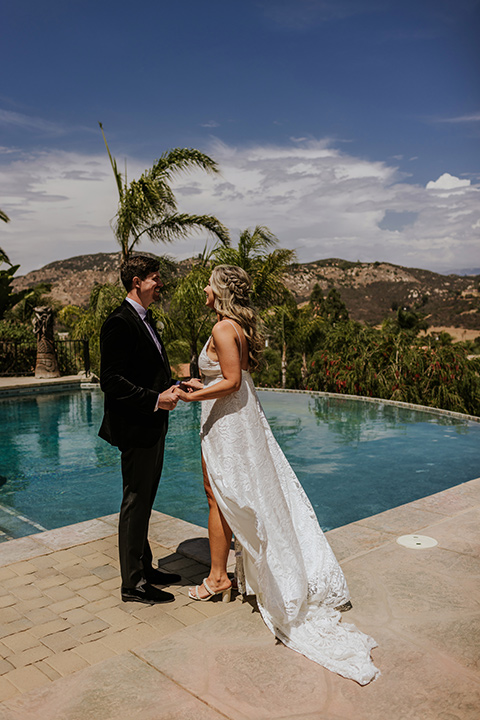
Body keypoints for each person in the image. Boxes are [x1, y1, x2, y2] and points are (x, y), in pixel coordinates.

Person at [175, 264, 380, 684]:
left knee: (221, 495)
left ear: (218, 291)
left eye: (208, 283)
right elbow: (236, 376)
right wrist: (200, 383)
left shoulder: (223, 329)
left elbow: (231, 381)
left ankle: (217, 578)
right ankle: (236, 571)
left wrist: (192, 390)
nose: (204, 288)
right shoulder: (233, 327)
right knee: (241, 494)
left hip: (228, 420)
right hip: (238, 418)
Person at [99, 255, 181, 605]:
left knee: (144, 501)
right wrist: (154, 399)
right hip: (136, 426)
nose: (159, 284)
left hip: (152, 424)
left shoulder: (145, 320)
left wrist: (178, 383)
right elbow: (111, 380)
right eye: (154, 278)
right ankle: (132, 583)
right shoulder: (119, 322)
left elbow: (147, 371)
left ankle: (145, 568)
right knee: (135, 502)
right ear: (137, 282)